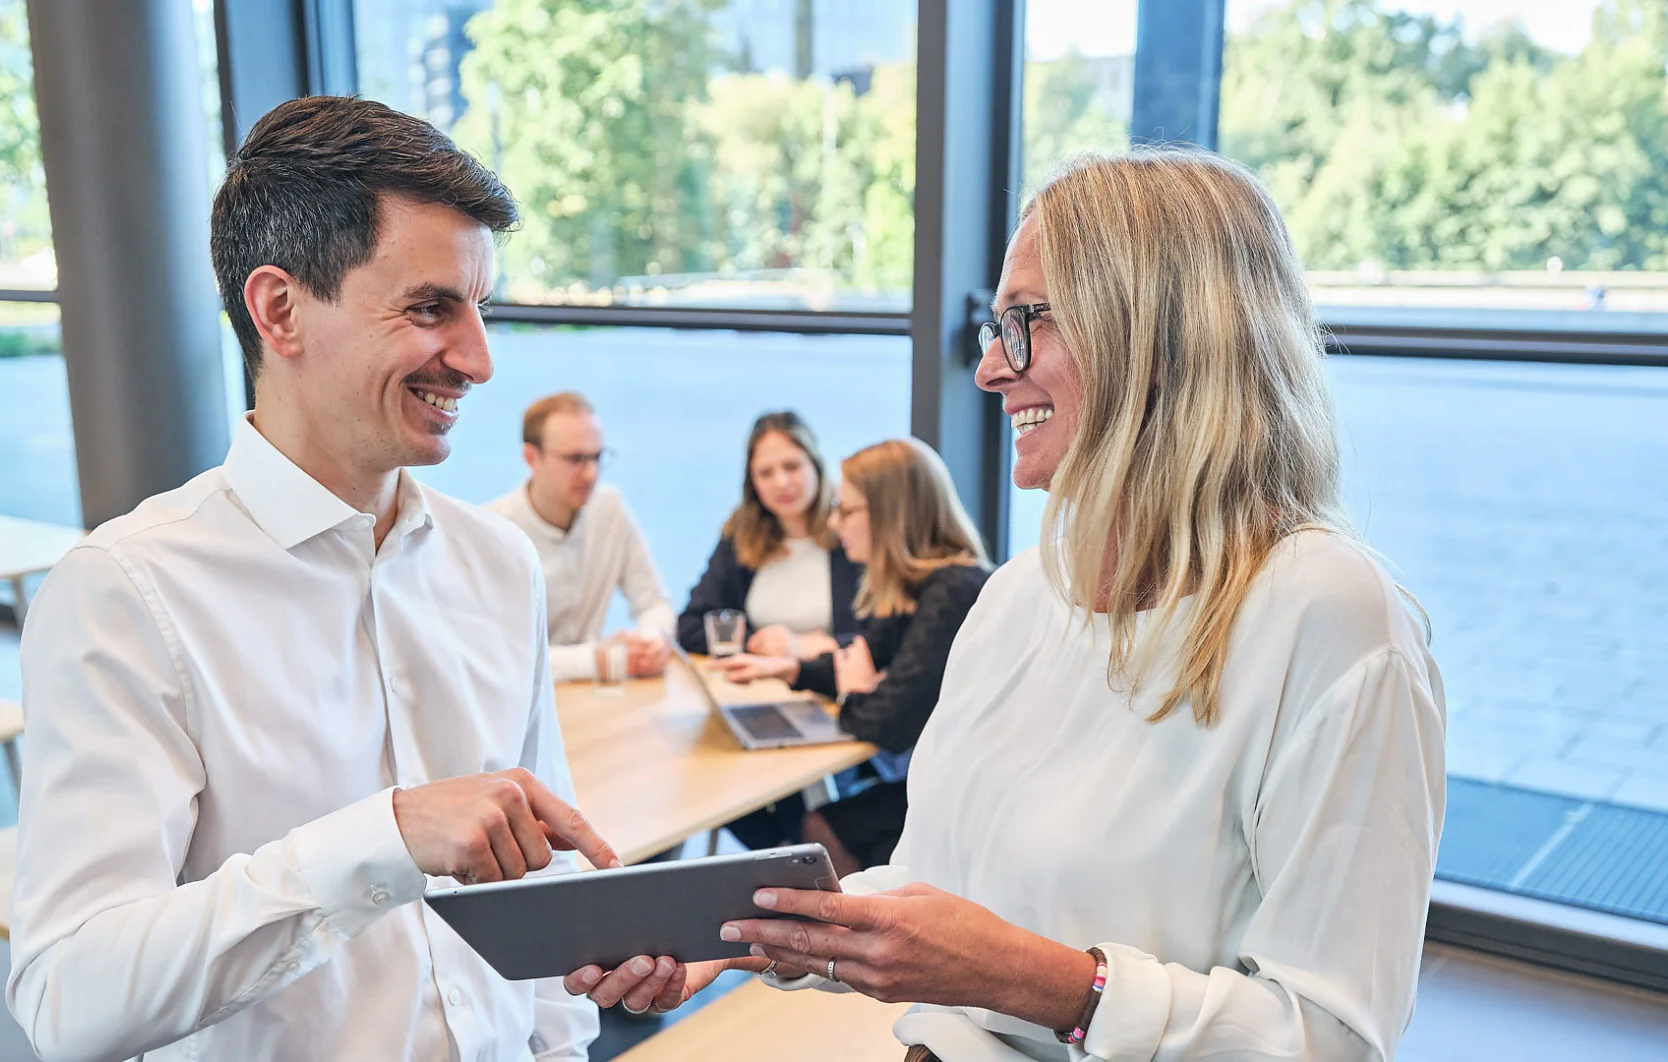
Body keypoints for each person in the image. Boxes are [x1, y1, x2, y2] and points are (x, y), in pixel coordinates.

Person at [568, 149, 1446, 1062]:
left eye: (1026, 322)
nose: (990, 369)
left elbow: (1330, 1037)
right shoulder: (1021, 598)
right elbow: (932, 886)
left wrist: (1037, 980)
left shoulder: (1331, 618)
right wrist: (733, 934)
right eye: (995, 326)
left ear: (1162, 335)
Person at [6, 96, 623, 1062]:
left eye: (480, 308)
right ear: (279, 310)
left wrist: (579, 1004)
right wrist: (384, 839)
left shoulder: (498, 564)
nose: (479, 359)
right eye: (430, 308)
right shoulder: (126, 592)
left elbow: (533, 882)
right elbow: (70, 996)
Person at [716, 437, 990, 877]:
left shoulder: (954, 590)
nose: (833, 521)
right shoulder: (914, 586)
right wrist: (794, 669)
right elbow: (862, 658)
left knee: (820, 826)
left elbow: (885, 723)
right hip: (941, 774)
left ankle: (846, 940)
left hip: (972, 793)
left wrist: (856, 691)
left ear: (889, 515)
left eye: (845, 510)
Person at [487, 391, 675, 683]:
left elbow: (654, 602)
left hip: (593, 699)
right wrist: (596, 660)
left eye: (597, 457)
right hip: (521, 708)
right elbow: (496, 655)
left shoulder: (610, 510)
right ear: (531, 457)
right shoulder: (494, 531)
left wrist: (650, 641)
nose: (591, 474)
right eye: (575, 459)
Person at [677, 411, 862, 660]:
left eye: (792, 466)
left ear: (816, 465)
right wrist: (760, 644)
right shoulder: (741, 533)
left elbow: (882, 636)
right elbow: (691, 626)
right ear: (752, 482)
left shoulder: (853, 531)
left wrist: (810, 647)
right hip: (758, 685)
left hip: (834, 685)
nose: (782, 483)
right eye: (765, 473)